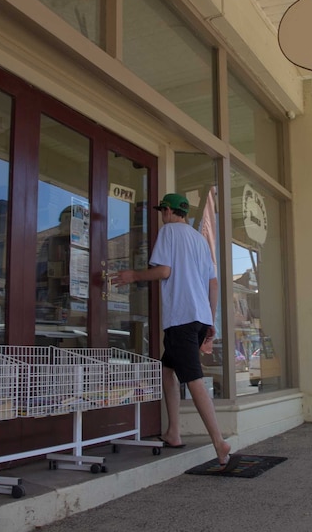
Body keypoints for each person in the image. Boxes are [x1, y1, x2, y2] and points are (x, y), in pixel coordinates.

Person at [112, 193, 238, 472]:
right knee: (166, 368)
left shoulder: (169, 231)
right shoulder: (199, 240)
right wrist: (211, 320)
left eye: (162, 211)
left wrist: (133, 276)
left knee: (193, 379)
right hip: (200, 317)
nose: (161, 215)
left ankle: (219, 442)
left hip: (181, 318)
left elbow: (164, 270)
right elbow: (213, 284)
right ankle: (174, 432)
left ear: (169, 211)